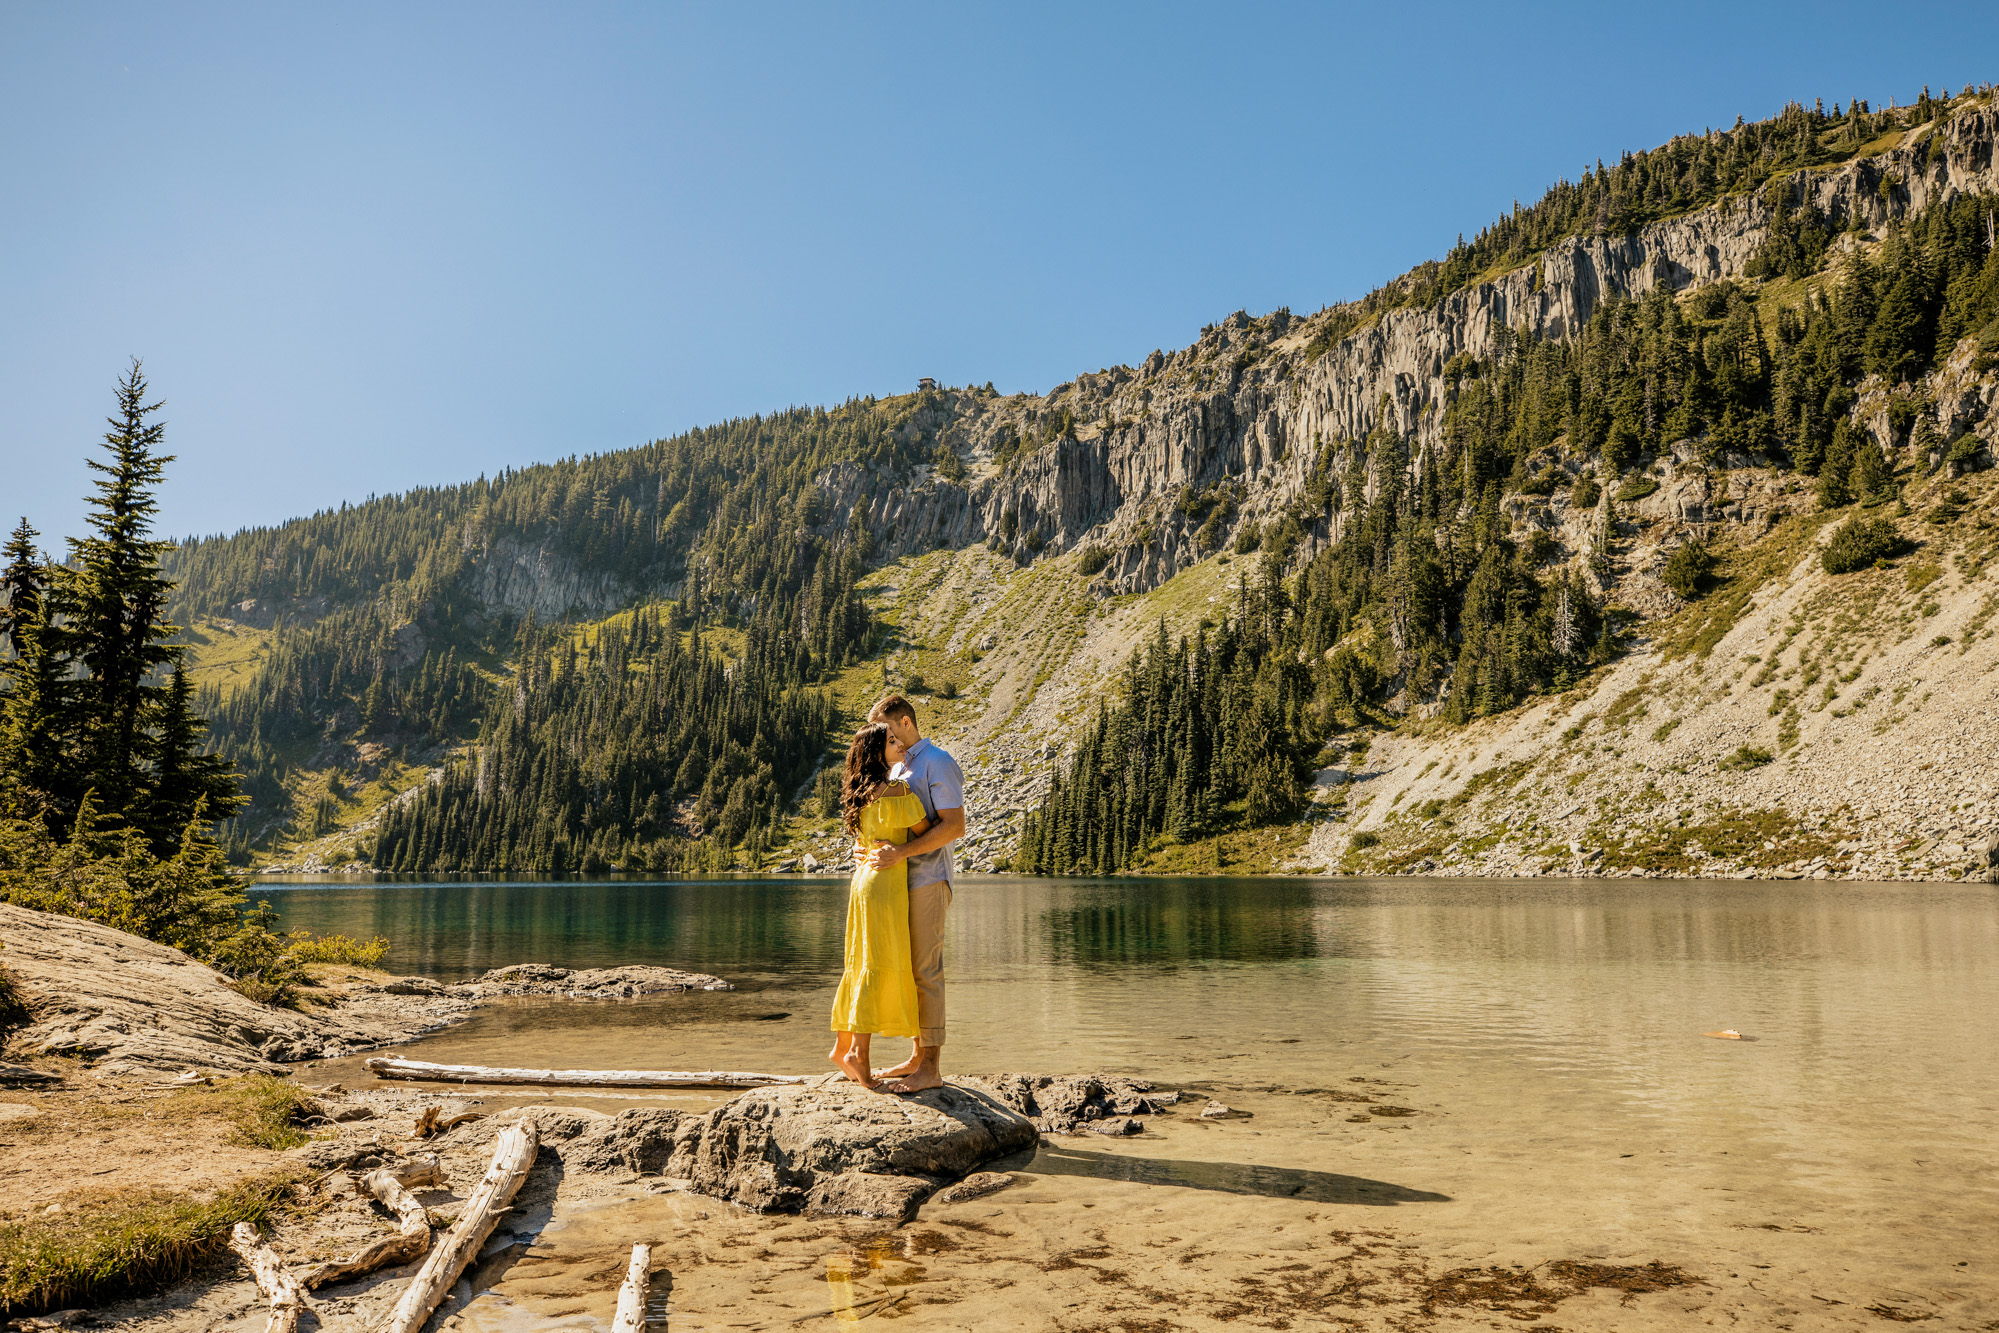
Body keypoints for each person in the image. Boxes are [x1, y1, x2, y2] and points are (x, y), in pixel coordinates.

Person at [857, 693, 964, 1093]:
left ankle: (932, 1068)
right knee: (909, 972)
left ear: (904, 722)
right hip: (899, 884)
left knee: (926, 971)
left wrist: (900, 852)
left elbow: (954, 826)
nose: (882, 738)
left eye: (884, 729)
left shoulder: (937, 762)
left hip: (928, 880)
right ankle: (917, 1056)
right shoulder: (902, 767)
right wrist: (868, 849)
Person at [827, 722, 932, 1090]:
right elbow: (926, 830)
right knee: (880, 964)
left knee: (860, 962)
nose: (900, 744)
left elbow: (862, 841)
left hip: (862, 883)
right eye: (891, 742)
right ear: (877, 751)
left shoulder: (860, 791)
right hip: (885, 885)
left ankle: (844, 1047)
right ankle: (859, 1054)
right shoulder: (897, 790)